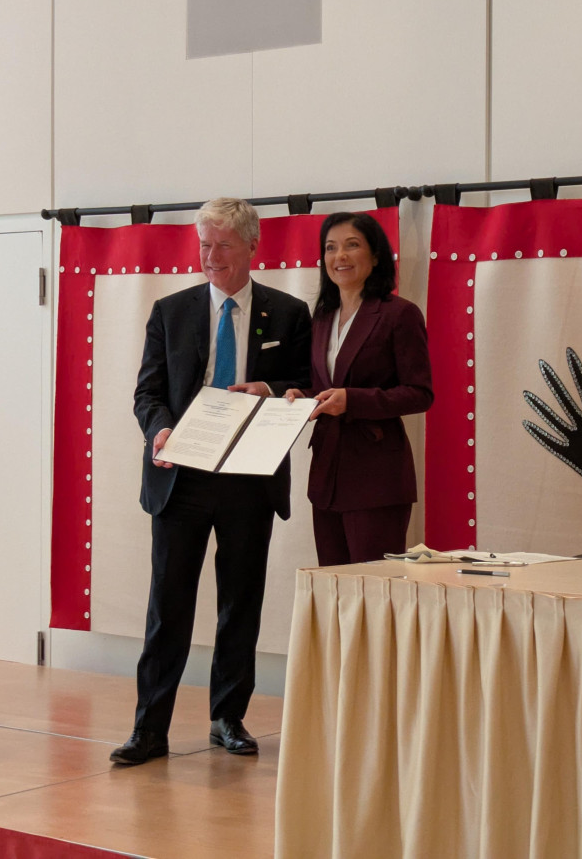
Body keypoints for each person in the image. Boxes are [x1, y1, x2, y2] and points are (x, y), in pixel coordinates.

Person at [111, 198, 312, 765]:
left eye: (223, 244)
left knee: (240, 603)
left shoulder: (290, 312)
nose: (211, 256)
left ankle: (228, 717)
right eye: (204, 244)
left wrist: (270, 390)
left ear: (253, 247)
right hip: (182, 478)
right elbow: (147, 394)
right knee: (167, 606)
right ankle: (149, 729)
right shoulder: (170, 311)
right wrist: (160, 430)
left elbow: (303, 383)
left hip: (250, 479)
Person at [284, 212, 433, 565]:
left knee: (374, 595)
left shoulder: (400, 314)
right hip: (326, 477)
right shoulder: (322, 316)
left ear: (376, 255)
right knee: (333, 595)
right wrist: (301, 398)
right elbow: (323, 386)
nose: (341, 257)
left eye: (352, 245)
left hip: (376, 479)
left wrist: (353, 400)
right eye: (331, 248)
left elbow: (419, 392)